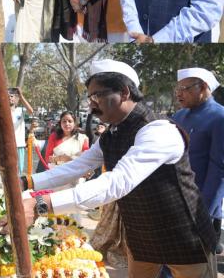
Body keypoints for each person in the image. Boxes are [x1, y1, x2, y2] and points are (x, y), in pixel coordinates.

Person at [19, 59, 217, 276]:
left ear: (123, 92)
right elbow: (78, 166)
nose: (91, 104)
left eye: (97, 96)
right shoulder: (113, 132)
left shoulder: (159, 130)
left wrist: (41, 204)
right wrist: (28, 182)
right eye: (89, 97)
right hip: (141, 235)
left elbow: (117, 182)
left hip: (182, 235)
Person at [172, 68, 224, 254]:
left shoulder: (220, 117)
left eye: (184, 88)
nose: (179, 93)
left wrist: (203, 213)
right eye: (177, 88)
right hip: (175, 202)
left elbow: (219, 170)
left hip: (201, 208)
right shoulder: (178, 117)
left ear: (203, 87)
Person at [9, 87, 34, 174]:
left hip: (19, 145)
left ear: (17, 99)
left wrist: (21, 96)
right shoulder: (3, 112)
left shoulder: (20, 110)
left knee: (19, 170)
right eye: (8, 96)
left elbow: (31, 111)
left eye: (12, 96)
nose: (10, 98)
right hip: (7, 146)